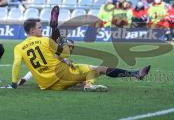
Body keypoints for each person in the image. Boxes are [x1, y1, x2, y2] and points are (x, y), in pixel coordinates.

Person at [10, 6, 151, 91]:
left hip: (46, 85)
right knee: (99, 69)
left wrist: (15, 81)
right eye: (40, 28)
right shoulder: (45, 41)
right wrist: (65, 45)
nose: (41, 29)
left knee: (73, 70)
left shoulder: (18, 47)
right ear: (33, 30)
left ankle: (85, 83)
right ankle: (135, 74)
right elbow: (64, 53)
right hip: (61, 75)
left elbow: (17, 64)